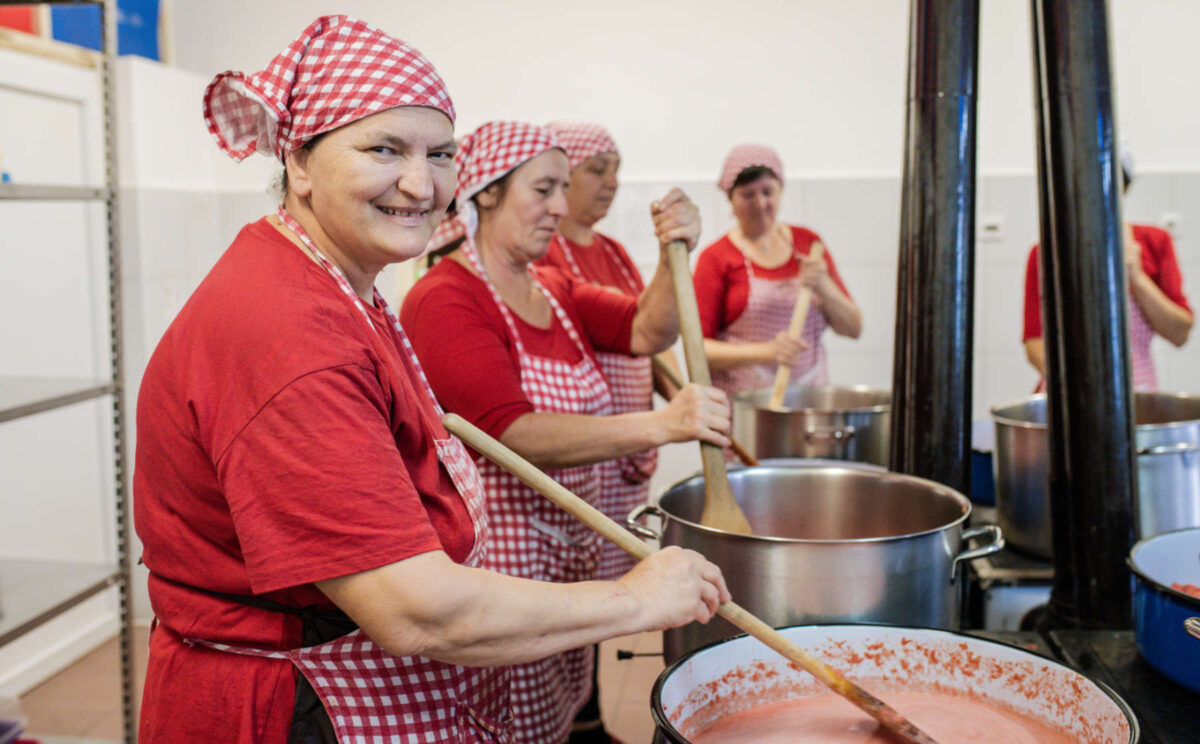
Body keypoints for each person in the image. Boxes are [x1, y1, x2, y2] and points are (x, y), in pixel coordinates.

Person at [133, 18, 729, 743]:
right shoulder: (288, 333)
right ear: (298, 163)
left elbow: (642, 329)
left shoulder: (336, 285)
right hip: (288, 705)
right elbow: (417, 609)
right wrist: (636, 599)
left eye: (439, 152)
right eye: (383, 148)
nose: (421, 183)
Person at [401, 121, 730, 743]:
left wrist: (673, 251)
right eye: (545, 189)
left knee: (557, 713)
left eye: (562, 188)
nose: (560, 206)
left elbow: (644, 330)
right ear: (488, 192)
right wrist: (662, 424)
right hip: (500, 570)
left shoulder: (550, 288)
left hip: (564, 558)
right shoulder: (446, 298)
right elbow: (511, 433)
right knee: (508, 722)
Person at [532, 120, 682, 743]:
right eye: (597, 170)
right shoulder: (546, 258)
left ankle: (588, 705)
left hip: (631, 447)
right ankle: (584, 710)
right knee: (588, 590)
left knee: (610, 581)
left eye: (616, 170)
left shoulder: (614, 252)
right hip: (585, 450)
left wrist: (681, 401)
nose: (611, 183)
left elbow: (647, 338)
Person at [693, 144, 862, 400]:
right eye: (748, 195)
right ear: (730, 198)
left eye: (767, 192)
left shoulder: (808, 245)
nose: (760, 204)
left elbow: (853, 328)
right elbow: (698, 350)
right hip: (746, 412)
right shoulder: (717, 258)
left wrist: (824, 285)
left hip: (809, 403)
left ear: (781, 191)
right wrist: (768, 351)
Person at [1022, 152, 1192, 391]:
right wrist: (1080, 390)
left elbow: (1180, 334)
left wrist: (1137, 278)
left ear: (1124, 188)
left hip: (1137, 394)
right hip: (1066, 393)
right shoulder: (1045, 255)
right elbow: (1034, 343)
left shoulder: (1154, 242)